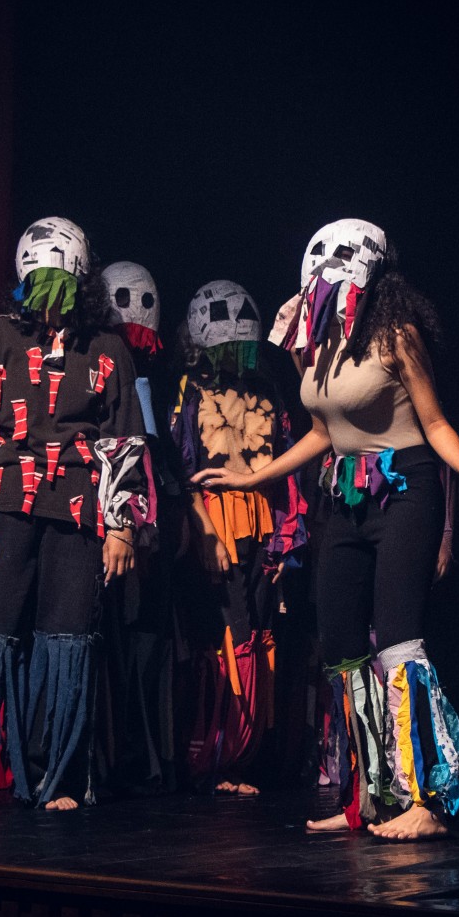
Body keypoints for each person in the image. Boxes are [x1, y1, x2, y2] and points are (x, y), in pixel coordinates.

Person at [193, 218, 459, 841]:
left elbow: (434, 421)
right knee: (342, 647)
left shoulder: (396, 335)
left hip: (405, 487)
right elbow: (323, 432)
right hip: (343, 496)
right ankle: (369, 796)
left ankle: (424, 798)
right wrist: (253, 478)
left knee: (398, 641)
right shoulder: (317, 344)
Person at [0, 217, 152, 810]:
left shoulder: (107, 348)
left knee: (65, 641)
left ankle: (58, 777)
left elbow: (125, 437)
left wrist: (121, 524)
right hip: (4, 507)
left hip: (76, 517)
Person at [170, 280, 308, 795]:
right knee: (229, 633)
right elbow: (182, 466)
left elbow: (288, 464)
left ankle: (243, 758)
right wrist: (205, 531)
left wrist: (287, 538)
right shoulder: (190, 389)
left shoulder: (267, 387)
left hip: (263, 520)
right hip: (217, 520)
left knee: (257, 632)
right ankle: (215, 758)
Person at [96, 260, 178, 795]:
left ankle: (144, 760)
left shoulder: (151, 377)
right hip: (112, 518)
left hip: (146, 520)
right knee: (112, 636)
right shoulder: (108, 366)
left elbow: (156, 453)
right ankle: (117, 759)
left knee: (145, 638)